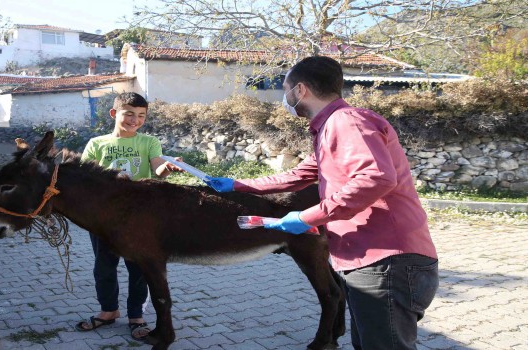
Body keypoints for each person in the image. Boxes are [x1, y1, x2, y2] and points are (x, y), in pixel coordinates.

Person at [204, 56, 439, 350]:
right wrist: (238, 184)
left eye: (285, 89)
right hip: (374, 261)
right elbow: (299, 175)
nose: (285, 98)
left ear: (300, 90)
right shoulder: (328, 128)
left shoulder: (347, 121)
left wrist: (308, 217)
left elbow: (376, 178)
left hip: (387, 260)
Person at [76, 92, 182, 341]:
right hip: (103, 220)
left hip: (139, 221)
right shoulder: (96, 144)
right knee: (104, 267)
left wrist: (166, 167)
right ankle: (108, 311)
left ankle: (136, 316)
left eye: (141, 116)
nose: (135, 120)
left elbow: (157, 168)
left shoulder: (148, 142)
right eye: (130, 114)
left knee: (139, 269)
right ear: (114, 114)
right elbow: (84, 181)